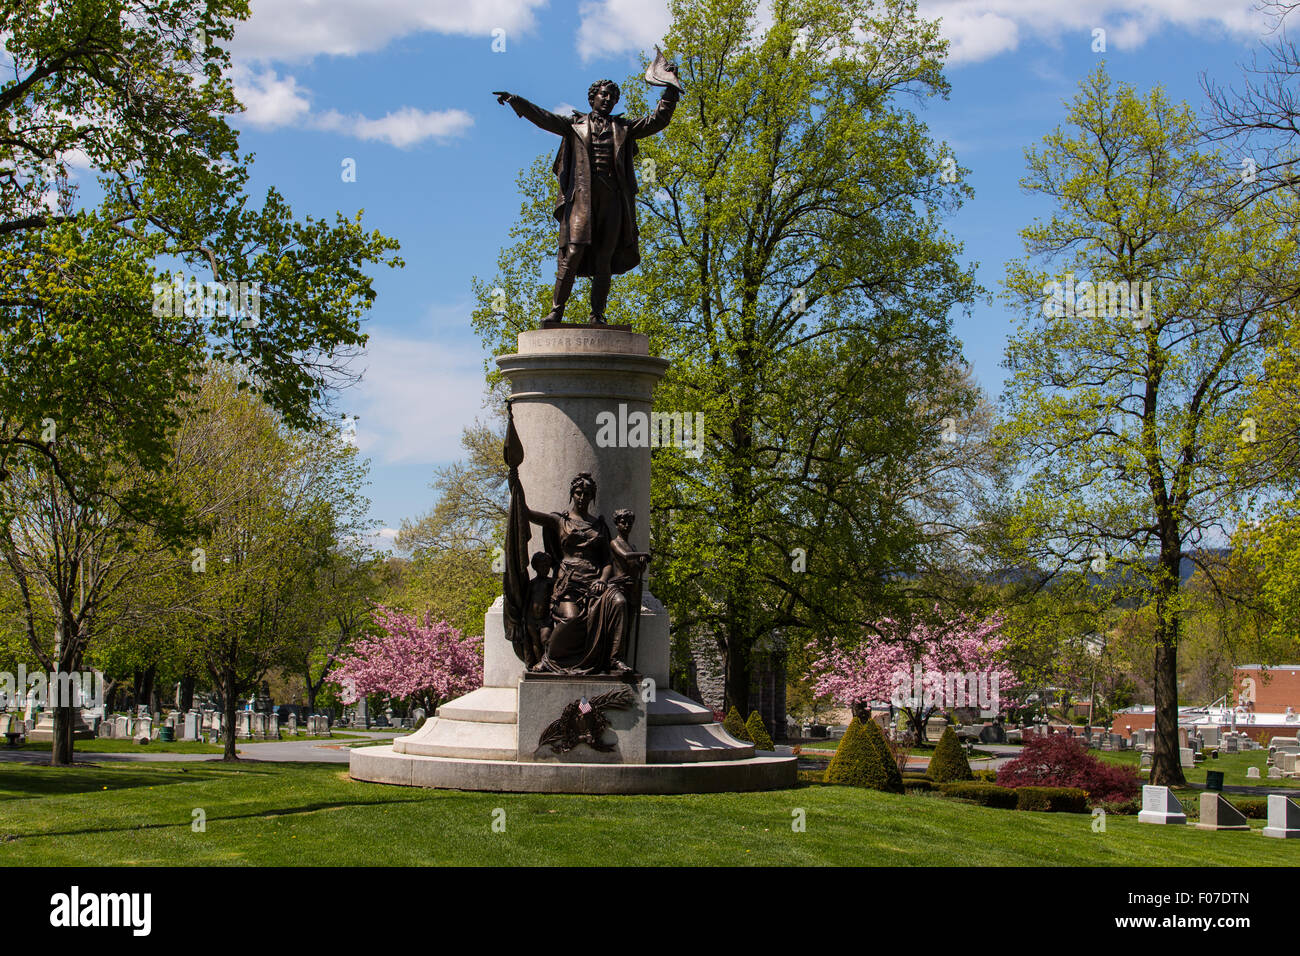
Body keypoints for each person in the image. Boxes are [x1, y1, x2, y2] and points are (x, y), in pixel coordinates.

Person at [494, 71, 680, 324]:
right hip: (583, 199)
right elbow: (544, 118)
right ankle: (556, 311)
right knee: (573, 252)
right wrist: (517, 101)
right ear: (592, 98)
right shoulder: (574, 125)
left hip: (613, 199)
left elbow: (657, 120)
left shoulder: (624, 128)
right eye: (603, 94)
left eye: (612, 96)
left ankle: (597, 315)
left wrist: (670, 89)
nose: (607, 99)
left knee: (605, 257)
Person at [519, 472, 631, 674]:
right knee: (571, 619)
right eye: (579, 493)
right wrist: (515, 482)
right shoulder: (559, 521)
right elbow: (527, 513)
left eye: (587, 494)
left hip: (595, 582)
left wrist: (603, 581)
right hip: (569, 584)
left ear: (592, 496)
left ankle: (615, 659)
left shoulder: (599, 526)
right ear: (572, 493)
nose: (582, 497)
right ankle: (549, 658)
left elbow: (607, 562)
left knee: (620, 603)